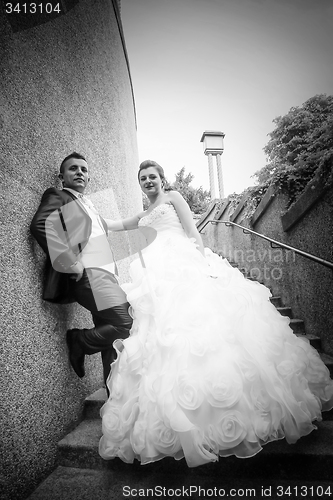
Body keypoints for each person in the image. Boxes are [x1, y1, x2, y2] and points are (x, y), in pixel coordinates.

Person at [99, 159, 333, 467]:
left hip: (182, 264)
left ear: (162, 178)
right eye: (143, 178)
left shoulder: (174, 198)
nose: (148, 181)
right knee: (165, 334)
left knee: (206, 322)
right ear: (140, 183)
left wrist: (203, 262)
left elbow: (192, 230)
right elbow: (114, 225)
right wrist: (91, 215)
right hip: (156, 274)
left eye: (152, 176)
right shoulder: (143, 215)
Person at [30, 152, 133, 389]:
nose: (79, 172)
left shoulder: (90, 205)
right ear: (62, 176)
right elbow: (40, 224)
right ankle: (79, 341)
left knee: (112, 344)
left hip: (109, 277)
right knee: (128, 324)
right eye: (73, 169)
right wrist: (67, 260)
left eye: (84, 170)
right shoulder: (58, 195)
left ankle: (115, 407)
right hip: (89, 274)